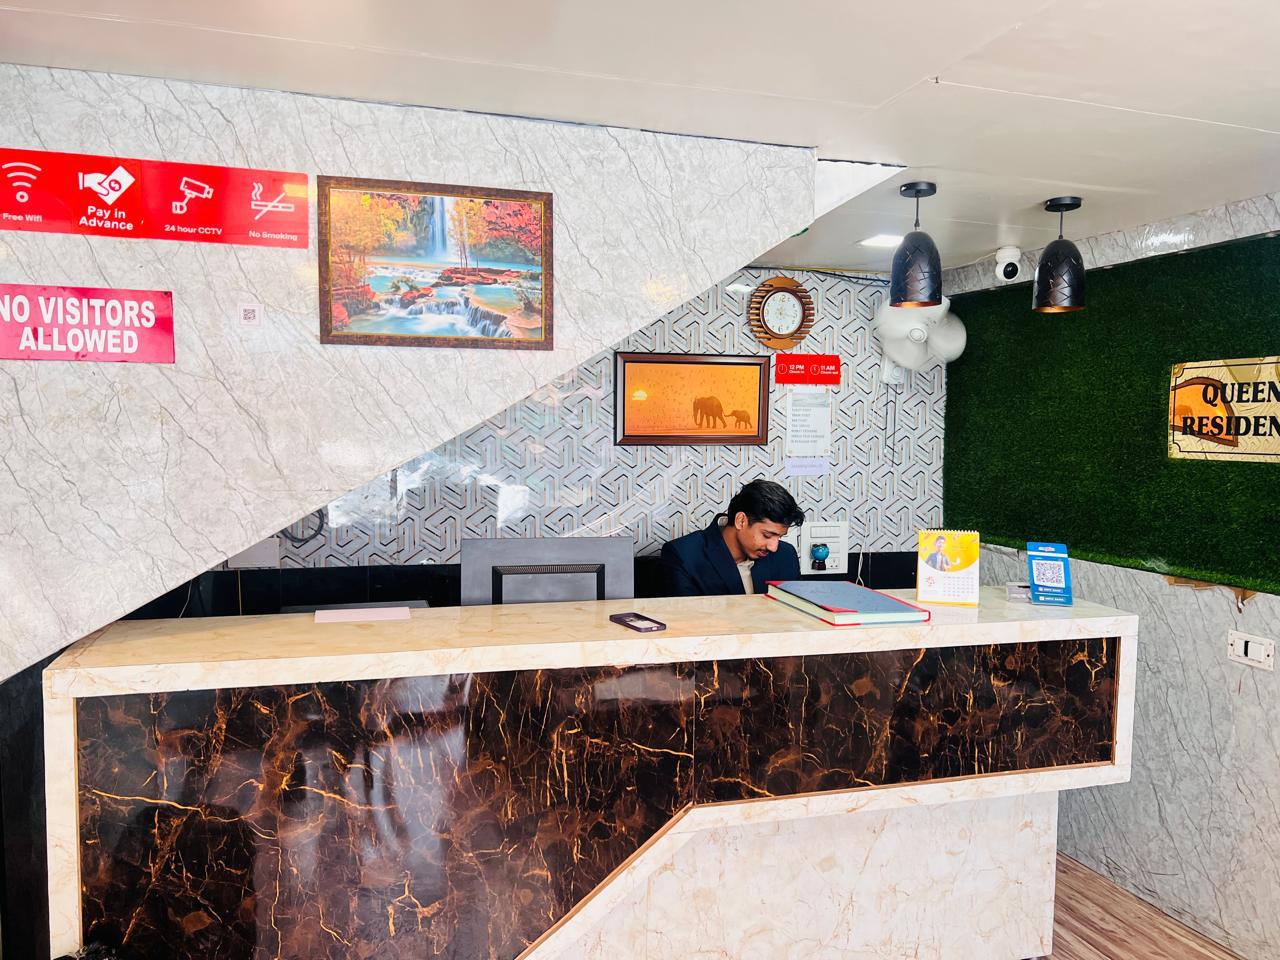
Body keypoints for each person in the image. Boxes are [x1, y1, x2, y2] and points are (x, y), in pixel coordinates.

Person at [661, 479, 805, 596]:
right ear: (741, 521)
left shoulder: (786, 556)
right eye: (767, 535)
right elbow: (685, 619)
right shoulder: (683, 555)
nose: (774, 547)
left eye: (780, 537)